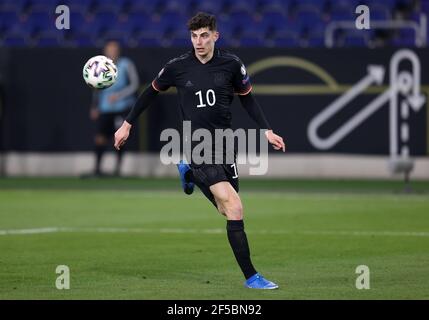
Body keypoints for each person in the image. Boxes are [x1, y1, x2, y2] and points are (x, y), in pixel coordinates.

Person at [114, 12, 285, 289]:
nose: (199, 41)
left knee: (226, 209)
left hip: (225, 145)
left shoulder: (231, 64)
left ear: (215, 36)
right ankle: (252, 277)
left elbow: (248, 100)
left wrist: (266, 130)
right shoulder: (177, 67)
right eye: (194, 36)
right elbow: (149, 92)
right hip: (197, 144)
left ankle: (190, 174)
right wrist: (127, 124)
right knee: (235, 206)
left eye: (204, 35)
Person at [89, 40, 139, 177]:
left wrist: (119, 95)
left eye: (114, 50)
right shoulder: (99, 65)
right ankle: (97, 169)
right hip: (105, 109)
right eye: (109, 50)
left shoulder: (126, 64)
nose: (112, 53)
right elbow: (96, 87)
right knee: (100, 137)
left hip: (122, 108)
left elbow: (134, 85)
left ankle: (117, 170)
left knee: (120, 138)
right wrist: (95, 106)